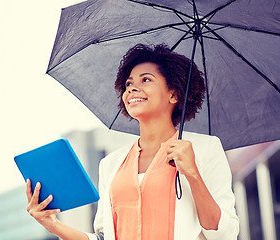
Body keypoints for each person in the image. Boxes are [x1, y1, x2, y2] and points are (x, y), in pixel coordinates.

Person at [26, 44, 239, 240]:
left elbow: (225, 234)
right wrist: (52, 225)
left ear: (174, 94)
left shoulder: (205, 149)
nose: (132, 89)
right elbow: (104, 237)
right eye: (129, 83)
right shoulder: (110, 164)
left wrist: (193, 174)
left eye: (146, 80)